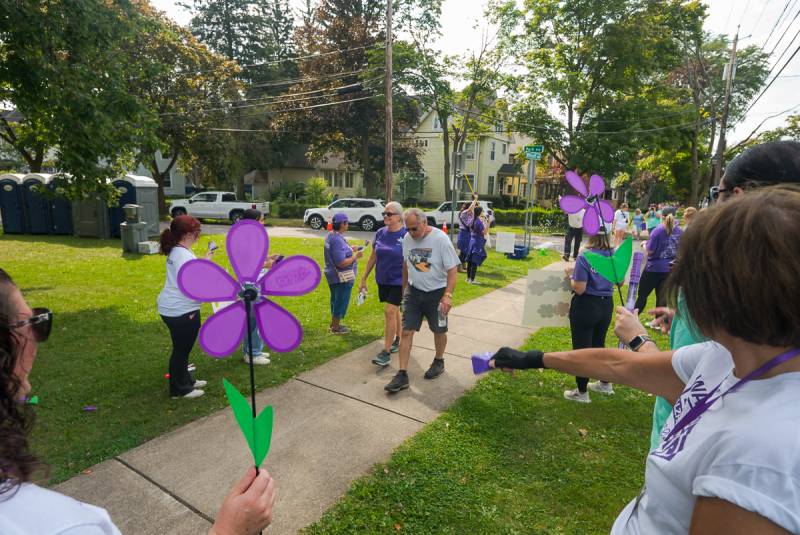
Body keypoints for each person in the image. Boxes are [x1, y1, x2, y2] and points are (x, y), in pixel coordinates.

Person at [490, 186, 800, 533]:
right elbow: (618, 365)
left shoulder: (760, 456)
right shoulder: (725, 357)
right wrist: (531, 358)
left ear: (721, 295)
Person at [0, 268, 276, 534]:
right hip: (181, 314)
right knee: (180, 354)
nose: (38, 338)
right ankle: (181, 385)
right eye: (34, 322)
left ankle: (184, 382)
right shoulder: (66, 526)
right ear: (8, 343)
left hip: (180, 312)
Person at [620, 140, 800, 451]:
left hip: (691, 443)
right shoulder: (776, 279)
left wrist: (638, 340)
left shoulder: (729, 272)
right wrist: (685, 318)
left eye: (717, 194)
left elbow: (696, 386)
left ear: (738, 196)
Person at [384, 208, 460, 393]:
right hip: (414, 292)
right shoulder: (408, 239)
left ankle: (439, 361)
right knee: (407, 331)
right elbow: (406, 265)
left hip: (438, 293)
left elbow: (452, 270)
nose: (411, 233)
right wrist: (404, 291)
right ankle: (402, 374)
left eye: (414, 229)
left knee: (438, 329)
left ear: (424, 222)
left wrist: (447, 296)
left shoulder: (440, 239)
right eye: (408, 229)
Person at [157, 215, 210, 399]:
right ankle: (180, 389)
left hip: (173, 307)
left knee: (181, 348)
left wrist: (203, 262)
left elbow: (191, 273)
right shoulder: (182, 255)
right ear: (188, 234)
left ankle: (186, 380)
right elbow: (194, 284)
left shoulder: (179, 251)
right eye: (198, 233)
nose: (199, 236)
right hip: (181, 310)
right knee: (181, 350)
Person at [562, 232, 615, 402]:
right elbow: (620, 281)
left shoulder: (585, 256)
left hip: (586, 306)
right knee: (599, 345)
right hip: (606, 305)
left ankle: (582, 392)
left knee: (582, 350)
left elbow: (579, 288)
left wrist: (570, 275)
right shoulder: (613, 255)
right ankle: (605, 383)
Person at [360, 201, 406, 366]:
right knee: (395, 310)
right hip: (383, 280)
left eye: (389, 214)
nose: (385, 216)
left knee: (389, 312)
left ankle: (385, 352)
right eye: (384, 214)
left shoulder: (406, 235)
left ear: (399, 217)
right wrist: (364, 277)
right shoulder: (380, 233)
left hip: (400, 281)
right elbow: (374, 256)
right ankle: (399, 339)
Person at [240, 208, 279, 366]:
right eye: (261, 220)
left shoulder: (251, 238)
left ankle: (254, 349)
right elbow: (247, 265)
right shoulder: (245, 240)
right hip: (251, 285)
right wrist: (267, 265)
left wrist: (268, 258)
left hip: (257, 281)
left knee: (256, 319)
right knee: (253, 319)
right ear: (254, 222)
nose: (263, 223)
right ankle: (252, 353)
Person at [633, 210, 681, 317]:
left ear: (662, 216)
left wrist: (644, 244)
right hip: (669, 269)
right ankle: (659, 323)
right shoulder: (679, 231)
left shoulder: (657, 230)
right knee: (662, 297)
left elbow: (650, 251)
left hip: (653, 269)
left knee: (642, 295)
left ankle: (634, 317)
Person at [324, 212, 363, 334]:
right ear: (342, 224)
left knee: (336, 300)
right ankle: (335, 328)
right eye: (347, 223)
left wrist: (351, 248)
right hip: (341, 278)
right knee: (341, 301)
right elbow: (341, 262)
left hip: (333, 276)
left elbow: (339, 251)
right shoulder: (336, 239)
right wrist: (355, 256)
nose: (348, 225)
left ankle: (334, 324)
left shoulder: (332, 236)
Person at [465, 205, 488, 284]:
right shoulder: (478, 221)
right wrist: (488, 223)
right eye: (482, 211)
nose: (483, 212)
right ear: (480, 212)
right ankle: (472, 280)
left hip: (472, 241)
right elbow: (484, 232)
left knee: (470, 261)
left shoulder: (472, 219)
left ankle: (468, 278)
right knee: (474, 261)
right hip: (477, 242)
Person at [456, 194, 478, 273]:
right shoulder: (464, 213)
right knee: (463, 252)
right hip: (464, 234)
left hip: (467, 234)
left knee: (465, 251)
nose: (473, 209)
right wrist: (475, 199)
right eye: (472, 207)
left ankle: (462, 266)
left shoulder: (468, 214)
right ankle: (458, 267)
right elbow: (470, 209)